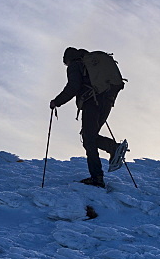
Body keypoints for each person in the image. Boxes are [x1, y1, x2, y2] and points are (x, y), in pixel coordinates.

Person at [49, 47, 127, 188]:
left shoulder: (75, 64)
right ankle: (111, 152)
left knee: (88, 138)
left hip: (92, 101)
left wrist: (57, 101)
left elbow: (73, 86)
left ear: (68, 59)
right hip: (107, 100)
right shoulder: (91, 63)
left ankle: (98, 175)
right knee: (89, 137)